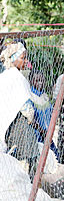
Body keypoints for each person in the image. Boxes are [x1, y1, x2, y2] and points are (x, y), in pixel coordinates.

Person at [0, 42, 39, 179]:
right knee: (31, 157)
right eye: (23, 58)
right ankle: (29, 185)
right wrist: (30, 117)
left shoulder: (5, 76)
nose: (26, 61)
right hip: (19, 124)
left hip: (8, 123)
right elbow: (25, 106)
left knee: (15, 158)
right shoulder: (16, 77)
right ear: (13, 59)